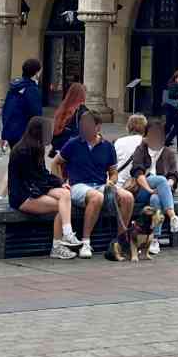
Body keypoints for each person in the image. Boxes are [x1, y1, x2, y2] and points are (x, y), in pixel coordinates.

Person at [51, 107, 132, 255]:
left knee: (127, 197)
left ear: (97, 126)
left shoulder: (107, 147)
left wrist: (111, 182)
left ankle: (120, 240)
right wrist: (61, 183)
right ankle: (85, 242)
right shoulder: (73, 143)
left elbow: (113, 173)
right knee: (96, 197)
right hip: (78, 186)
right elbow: (55, 163)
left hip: (100, 185)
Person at [6, 116, 78, 258]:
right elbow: (33, 179)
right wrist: (51, 186)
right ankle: (57, 246)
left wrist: (60, 183)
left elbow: (42, 174)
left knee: (65, 195)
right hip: (23, 196)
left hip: (36, 188)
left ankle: (68, 233)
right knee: (61, 206)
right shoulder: (23, 150)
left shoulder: (35, 147)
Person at [116, 113, 178, 239]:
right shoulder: (141, 148)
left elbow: (174, 175)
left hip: (160, 190)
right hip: (139, 188)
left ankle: (154, 238)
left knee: (156, 199)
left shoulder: (167, 152)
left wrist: (165, 187)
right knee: (160, 179)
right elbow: (138, 173)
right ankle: (173, 217)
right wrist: (151, 189)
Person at [0, 58, 46, 159]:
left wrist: (5, 134)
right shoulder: (32, 89)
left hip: (12, 133)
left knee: (16, 163)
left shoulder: (14, 87)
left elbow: (6, 111)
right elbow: (36, 115)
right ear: (36, 72)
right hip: (25, 135)